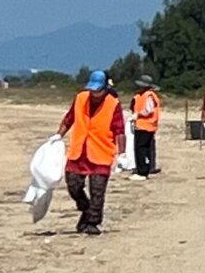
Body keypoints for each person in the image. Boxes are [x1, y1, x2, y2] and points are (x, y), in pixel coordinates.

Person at [58, 70, 126, 234]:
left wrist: (122, 154)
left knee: (97, 190)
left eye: (98, 90)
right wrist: (57, 136)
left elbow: (120, 131)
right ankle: (85, 209)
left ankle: (92, 222)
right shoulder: (81, 98)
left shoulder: (113, 104)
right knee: (73, 184)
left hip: (101, 151)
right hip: (79, 150)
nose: (94, 94)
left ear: (105, 88)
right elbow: (69, 118)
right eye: (92, 90)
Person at [130, 77, 162, 176]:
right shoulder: (145, 95)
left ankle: (142, 171)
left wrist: (137, 115)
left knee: (141, 149)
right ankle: (147, 167)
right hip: (147, 125)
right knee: (147, 148)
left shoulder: (148, 95)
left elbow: (148, 110)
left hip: (144, 125)